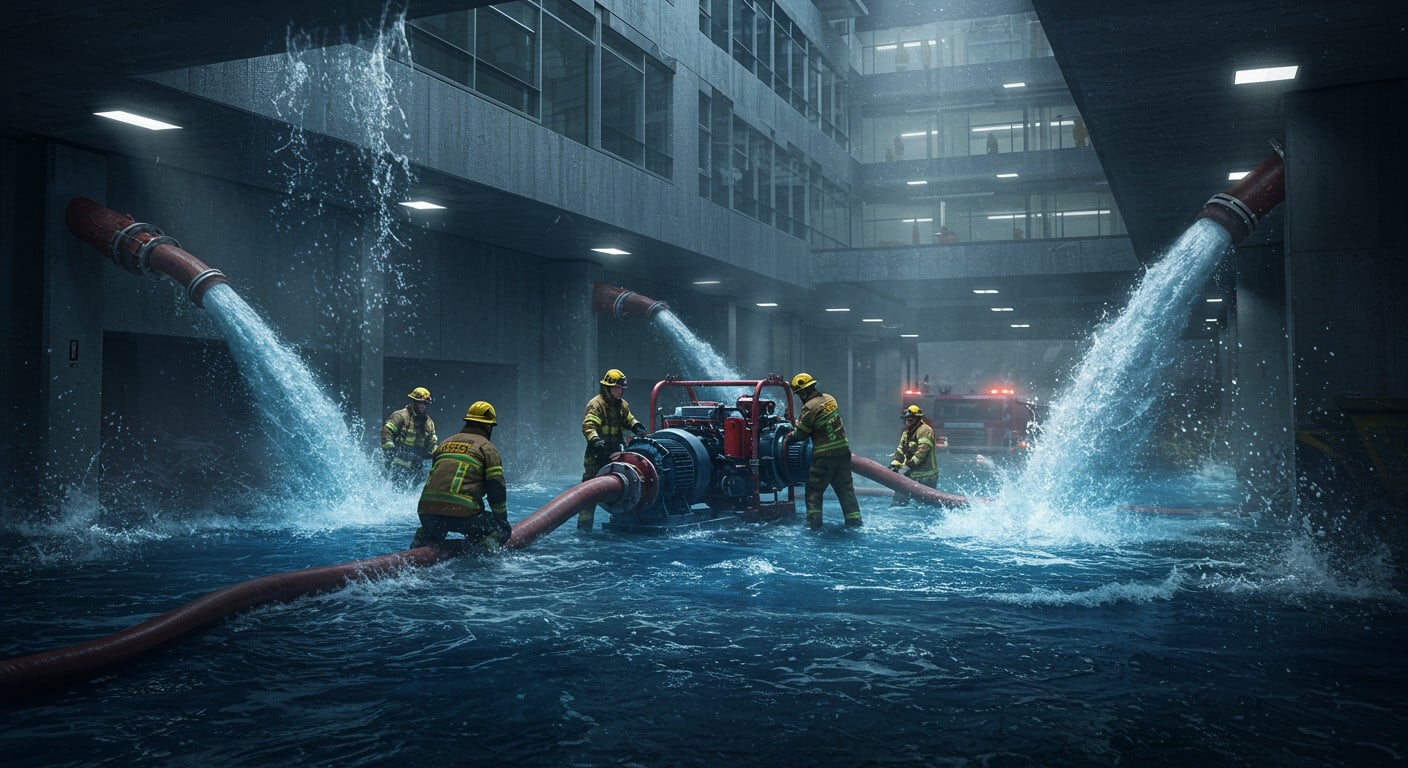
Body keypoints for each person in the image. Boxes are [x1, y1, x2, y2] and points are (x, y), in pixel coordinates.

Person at [410, 401, 512, 550]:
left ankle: (422, 542)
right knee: (500, 529)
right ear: (489, 426)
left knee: (432, 532)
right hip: (463, 517)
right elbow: (496, 489)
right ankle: (485, 556)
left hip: (427, 514)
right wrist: (502, 521)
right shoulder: (487, 448)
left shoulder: (444, 444)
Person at [782, 372, 862, 529]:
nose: (800, 397)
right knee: (846, 490)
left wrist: (787, 437)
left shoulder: (809, 407)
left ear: (804, 392)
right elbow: (819, 422)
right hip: (843, 453)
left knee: (813, 491)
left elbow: (801, 434)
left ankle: (814, 526)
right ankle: (855, 522)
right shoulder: (830, 399)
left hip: (825, 457)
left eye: (799, 394)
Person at [577, 368, 648, 530]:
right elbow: (589, 425)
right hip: (596, 456)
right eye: (617, 387)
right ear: (608, 387)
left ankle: (622, 525)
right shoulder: (596, 405)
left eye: (622, 388)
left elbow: (628, 419)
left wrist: (636, 426)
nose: (620, 391)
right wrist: (595, 440)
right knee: (589, 496)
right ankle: (584, 529)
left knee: (622, 490)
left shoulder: (622, 405)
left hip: (615, 455)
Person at [381, 386, 438, 487]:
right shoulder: (400, 416)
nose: (423, 406)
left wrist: (436, 455)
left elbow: (432, 443)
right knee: (396, 488)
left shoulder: (429, 423)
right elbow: (387, 431)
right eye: (421, 403)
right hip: (398, 462)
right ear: (414, 402)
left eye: (425, 404)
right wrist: (390, 450)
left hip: (416, 465)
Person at [889, 404, 940, 506]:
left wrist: (908, 466)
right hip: (910, 475)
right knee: (898, 501)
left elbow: (922, 451)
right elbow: (900, 450)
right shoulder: (906, 432)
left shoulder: (925, 430)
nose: (908, 423)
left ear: (917, 419)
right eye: (906, 420)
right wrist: (894, 465)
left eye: (910, 420)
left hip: (926, 477)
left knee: (924, 505)